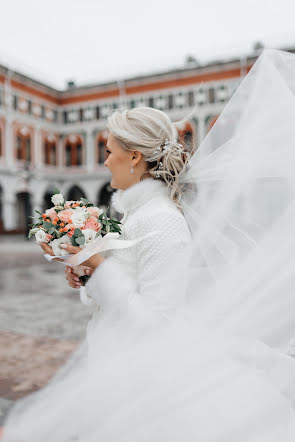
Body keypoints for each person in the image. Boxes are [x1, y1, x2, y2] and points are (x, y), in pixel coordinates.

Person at [3, 49, 295, 441]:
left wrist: (102, 268)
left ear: (135, 157)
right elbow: (128, 285)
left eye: (109, 151)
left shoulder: (162, 223)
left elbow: (157, 324)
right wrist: (90, 274)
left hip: (144, 379)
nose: (105, 162)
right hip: (116, 362)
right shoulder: (138, 216)